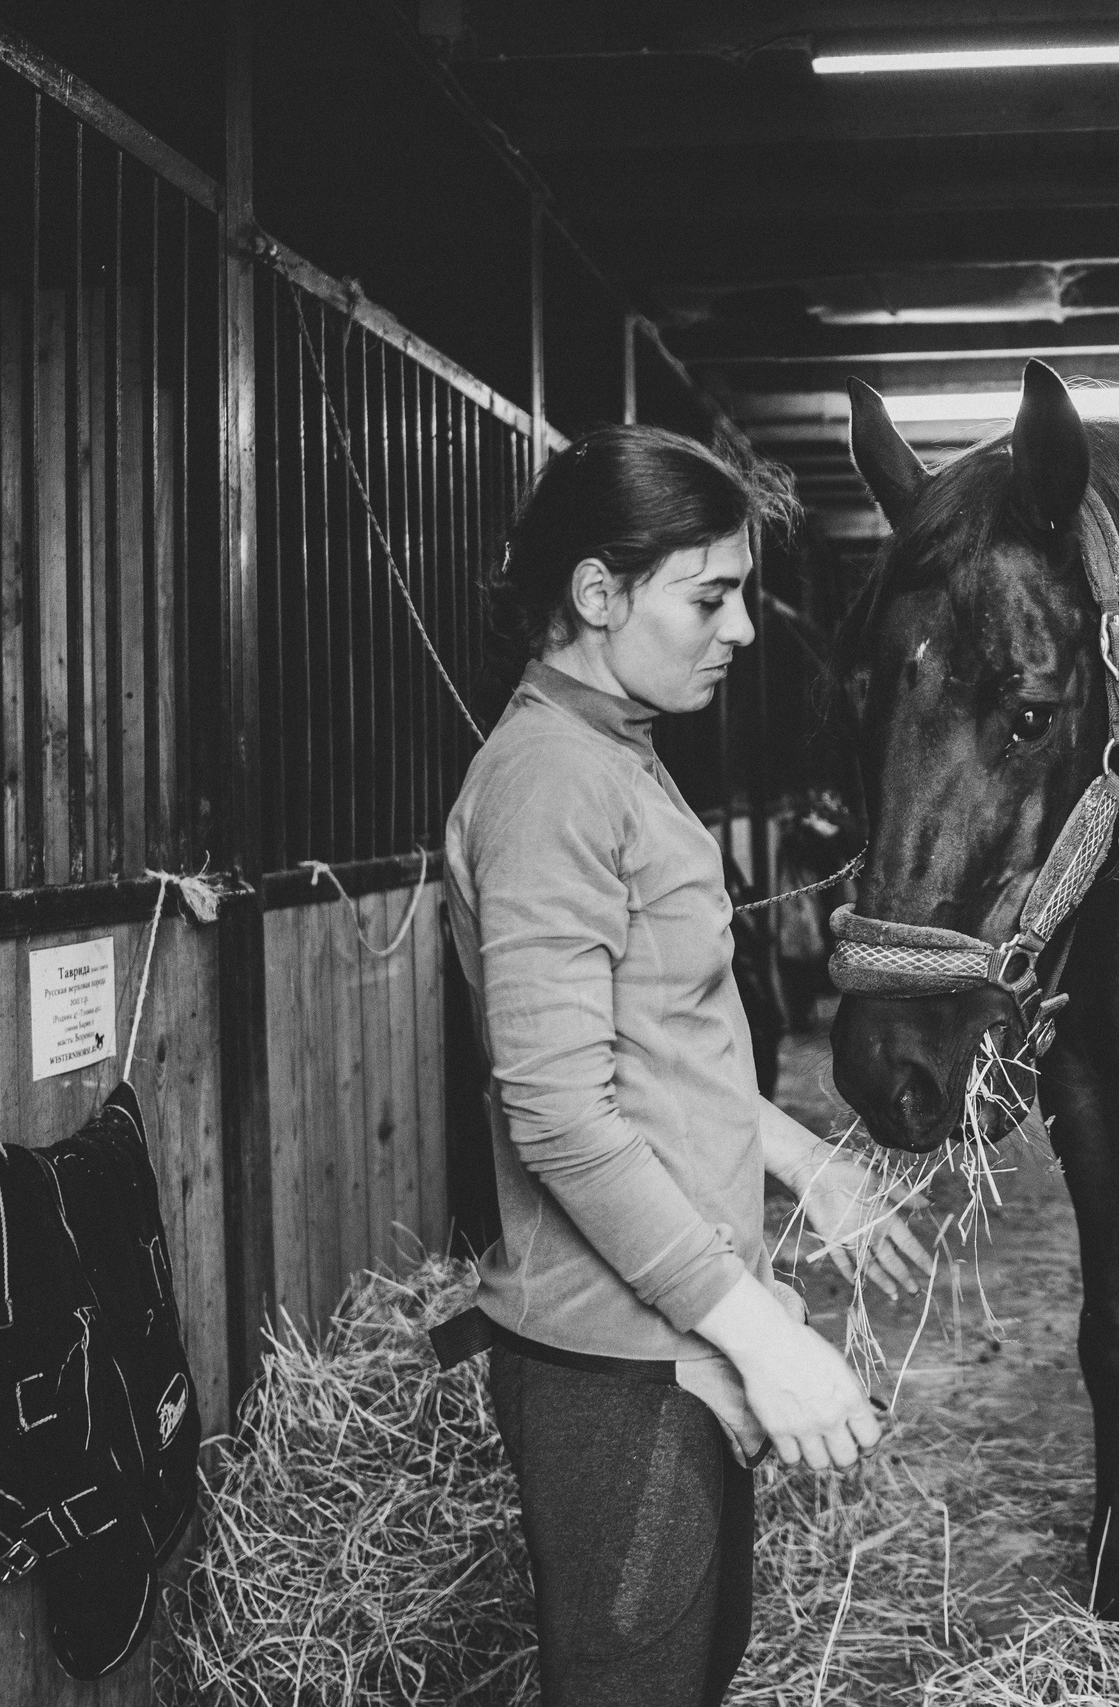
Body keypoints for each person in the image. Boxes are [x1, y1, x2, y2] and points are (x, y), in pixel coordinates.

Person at [445, 424, 934, 1706]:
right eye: (708, 597)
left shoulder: (618, 756)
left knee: (691, 1667)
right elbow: (557, 1115)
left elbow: (651, 1046)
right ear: (598, 595)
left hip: (662, 1335)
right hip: (616, 1360)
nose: (743, 631)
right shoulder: (552, 781)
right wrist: (762, 1335)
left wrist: (796, 1158)